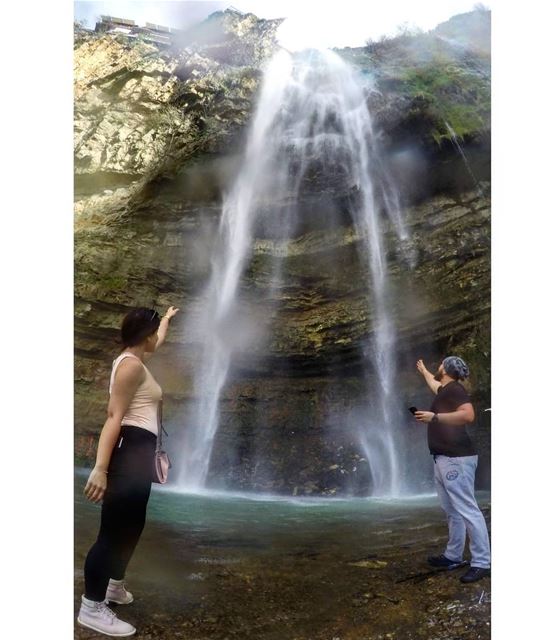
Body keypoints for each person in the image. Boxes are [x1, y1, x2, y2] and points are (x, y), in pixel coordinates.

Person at [77, 305, 179, 637]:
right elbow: (113, 417)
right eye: (154, 334)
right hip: (127, 452)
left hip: (139, 455)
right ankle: (91, 608)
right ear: (143, 337)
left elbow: (158, 341)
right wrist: (101, 469)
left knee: (133, 525)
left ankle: (113, 587)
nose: (157, 339)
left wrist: (165, 320)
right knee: (112, 532)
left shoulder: (137, 359)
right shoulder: (130, 367)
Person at [415, 355, 490, 583]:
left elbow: (468, 415)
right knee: (452, 510)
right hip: (443, 459)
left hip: (457, 459)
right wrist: (424, 371)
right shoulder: (446, 390)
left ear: (446, 369)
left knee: (467, 509)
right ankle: (453, 555)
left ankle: (482, 562)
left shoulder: (455, 390)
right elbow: (435, 384)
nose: (437, 368)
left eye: (439, 365)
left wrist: (434, 417)